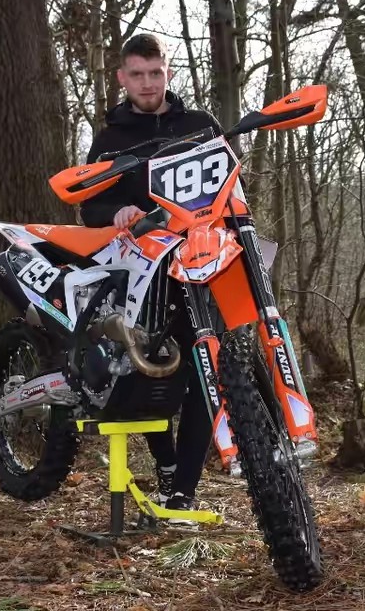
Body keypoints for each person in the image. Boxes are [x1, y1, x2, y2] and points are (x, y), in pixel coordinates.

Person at [80, 33, 221, 519]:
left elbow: (231, 184)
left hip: (202, 269)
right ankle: (166, 467)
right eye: (137, 74)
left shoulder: (200, 126)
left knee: (205, 373)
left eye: (155, 73)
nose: (147, 83)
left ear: (168, 72)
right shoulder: (110, 140)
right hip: (143, 274)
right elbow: (90, 207)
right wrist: (116, 211)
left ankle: (183, 492)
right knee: (148, 370)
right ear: (122, 78)